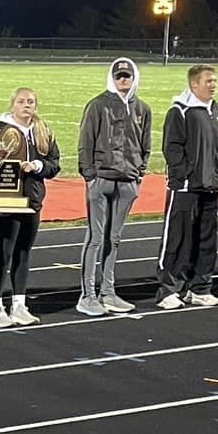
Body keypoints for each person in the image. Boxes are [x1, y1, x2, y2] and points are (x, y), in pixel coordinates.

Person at [76, 57, 151, 316]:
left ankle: (108, 292)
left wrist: (138, 174)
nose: (123, 80)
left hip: (127, 182)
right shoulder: (97, 105)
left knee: (114, 239)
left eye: (126, 76)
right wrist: (90, 176)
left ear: (133, 78)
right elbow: (85, 141)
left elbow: (145, 145)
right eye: (119, 76)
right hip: (102, 181)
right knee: (95, 238)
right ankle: (87, 295)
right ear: (112, 77)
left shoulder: (142, 108)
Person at [155, 64, 218, 309]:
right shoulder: (180, 111)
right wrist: (185, 175)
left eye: (215, 81)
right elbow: (172, 148)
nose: (213, 85)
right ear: (194, 84)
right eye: (208, 81)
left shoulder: (217, 109)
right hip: (187, 188)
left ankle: (199, 288)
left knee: (206, 240)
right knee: (177, 239)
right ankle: (168, 290)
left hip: (212, 186)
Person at [0, 91, 57, 326]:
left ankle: (19, 305)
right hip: (6, 203)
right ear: (12, 105)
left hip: (32, 200)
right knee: (3, 254)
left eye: (31, 102)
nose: (26, 105)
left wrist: (38, 165)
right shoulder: (2, 131)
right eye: (21, 101)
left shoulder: (42, 130)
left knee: (23, 253)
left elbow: (54, 163)